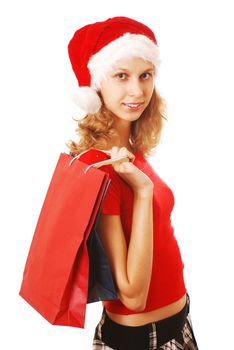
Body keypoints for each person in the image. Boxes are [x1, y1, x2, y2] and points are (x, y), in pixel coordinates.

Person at [67, 16, 198, 350]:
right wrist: (142, 192)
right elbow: (132, 295)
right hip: (142, 340)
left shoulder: (128, 152)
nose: (137, 91)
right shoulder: (101, 168)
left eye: (145, 75)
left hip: (179, 323)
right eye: (121, 76)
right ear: (96, 85)